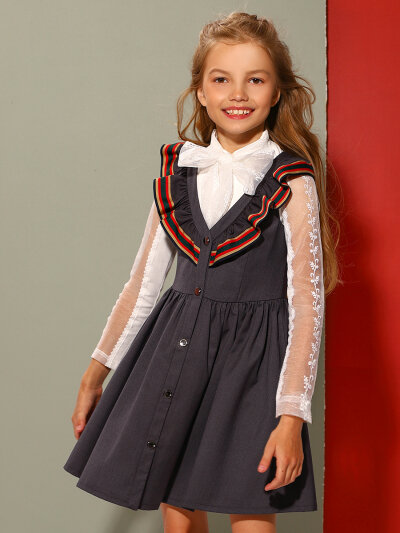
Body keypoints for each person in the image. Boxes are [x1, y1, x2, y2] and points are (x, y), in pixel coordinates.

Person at [63, 11, 339, 533]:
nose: (238, 94)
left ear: (277, 91)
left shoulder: (291, 180)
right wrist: (94, 373)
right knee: (181, 520)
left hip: (253, 372)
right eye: (221, 79)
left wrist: (291, 415)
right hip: (175, 358)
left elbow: (307, 304)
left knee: (251, 516)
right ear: (201, 92)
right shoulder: (178, 172)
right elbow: (142, 287)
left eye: (255, 79)